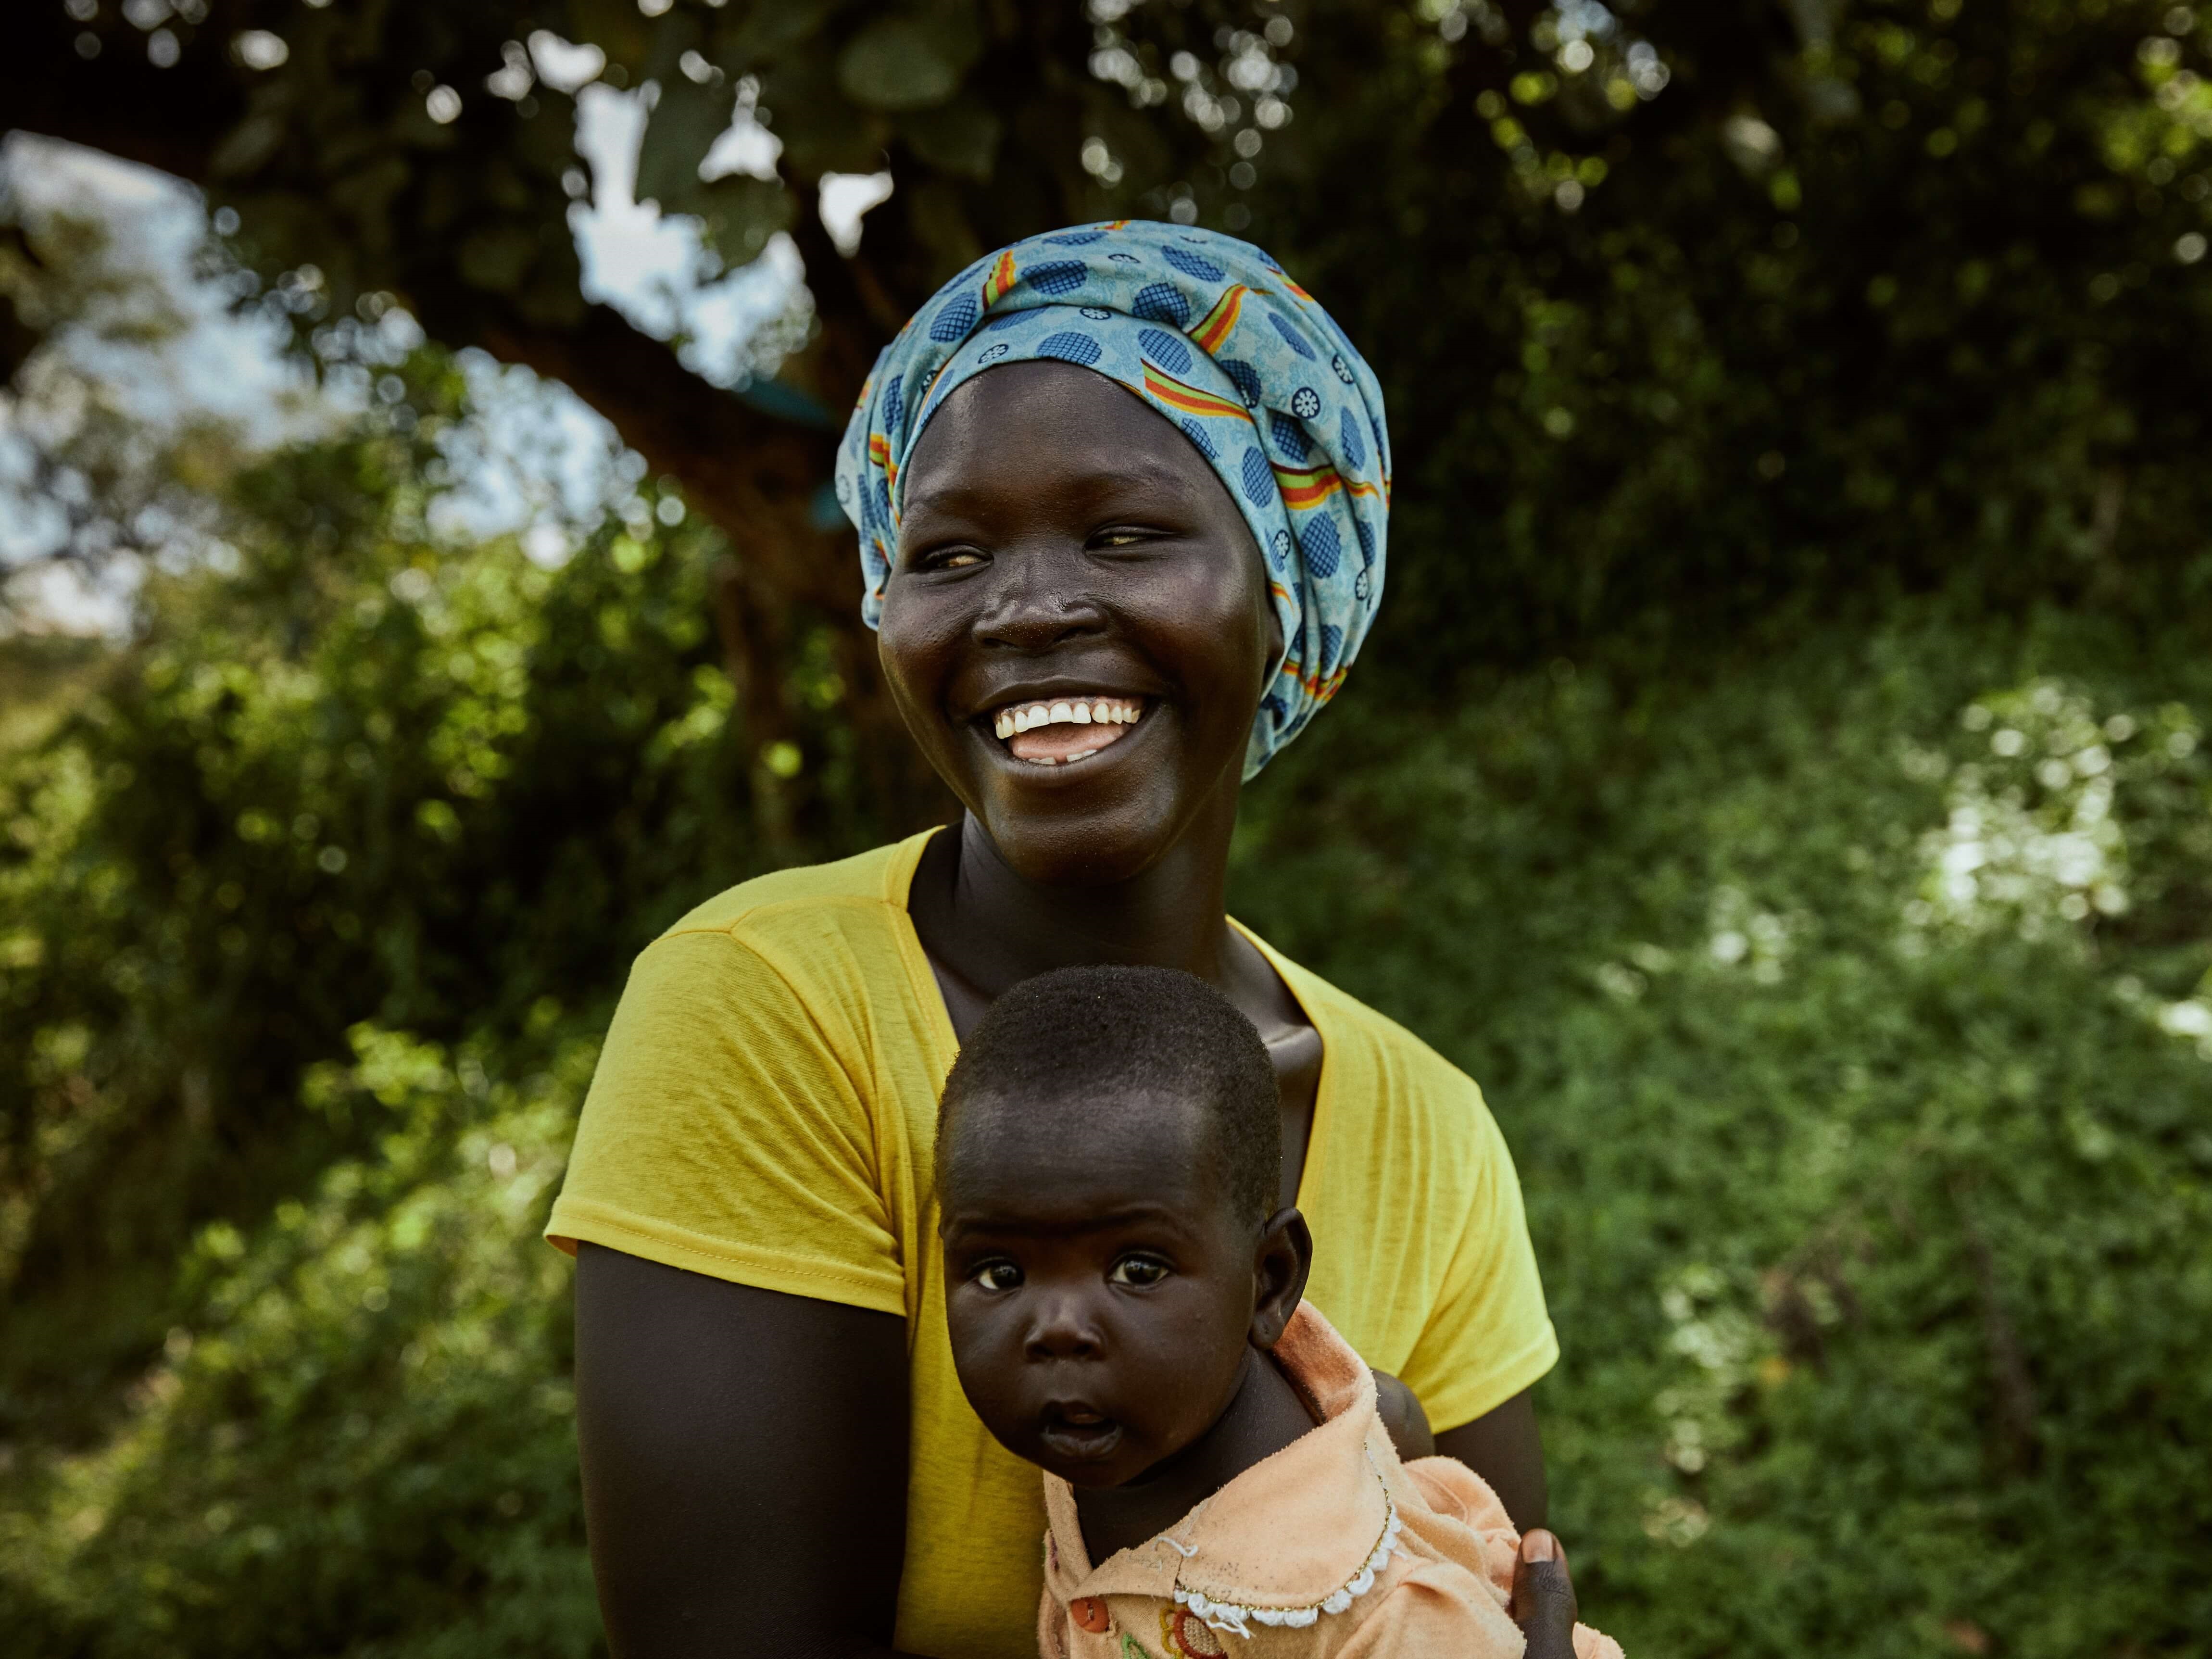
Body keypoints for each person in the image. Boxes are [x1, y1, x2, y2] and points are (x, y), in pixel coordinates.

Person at [551, 222, 1584, 1659]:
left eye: (1123, 534)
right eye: (952, 551)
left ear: (1285, 590)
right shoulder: (770, 1009)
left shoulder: (1431, 1129)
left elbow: (1488, 1592)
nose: (1027, 607)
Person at [938, 964, 1619, 1659]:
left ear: (1270, 1281)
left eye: (1137, 1270)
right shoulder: (1112, 1429)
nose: (1055, 1325)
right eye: (1001, 1272)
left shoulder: (1368, 1608)